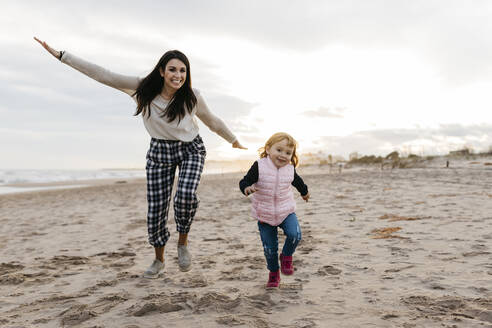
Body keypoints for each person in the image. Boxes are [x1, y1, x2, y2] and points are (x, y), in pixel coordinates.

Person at [34, 37, 246, 278]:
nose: (178, 75)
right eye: (173, 70)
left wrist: (233, 140)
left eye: (183, 70)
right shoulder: (142, 89)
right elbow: (104, 75)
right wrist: (63, 56)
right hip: (159, 153)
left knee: (185, 196)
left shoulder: (191, 96)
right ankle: (159, 260)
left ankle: (183, 242)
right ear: (162, 71)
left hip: (191, 149)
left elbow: (213, 121)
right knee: (156, 210)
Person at [239, 132, 309, 288]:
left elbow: (298, 182)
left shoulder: (290, 169)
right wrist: (247, 188)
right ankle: (274, 273)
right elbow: (245, 181)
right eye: (279, 150)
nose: (283, 155)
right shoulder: (260, 166)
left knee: (295, 235)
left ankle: (286, 256)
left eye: (288, 153)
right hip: (265, 214)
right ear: (268, 149)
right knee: (269, 249)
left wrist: (304, 192)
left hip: (286, 211)